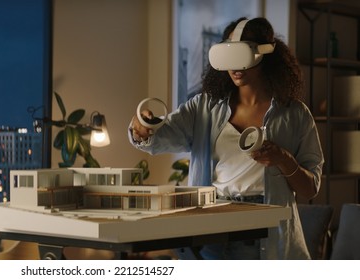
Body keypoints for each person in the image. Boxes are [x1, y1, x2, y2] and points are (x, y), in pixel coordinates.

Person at [128, 17, 324, 260]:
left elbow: (310, 188)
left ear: (265, 54)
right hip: (212, 230)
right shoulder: (204, 108)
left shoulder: (295, 115)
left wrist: (283, 159)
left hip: (265, 234)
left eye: (242, 54)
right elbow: (160, 137)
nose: (235, 65)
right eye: (228, 53)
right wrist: (144, 127)